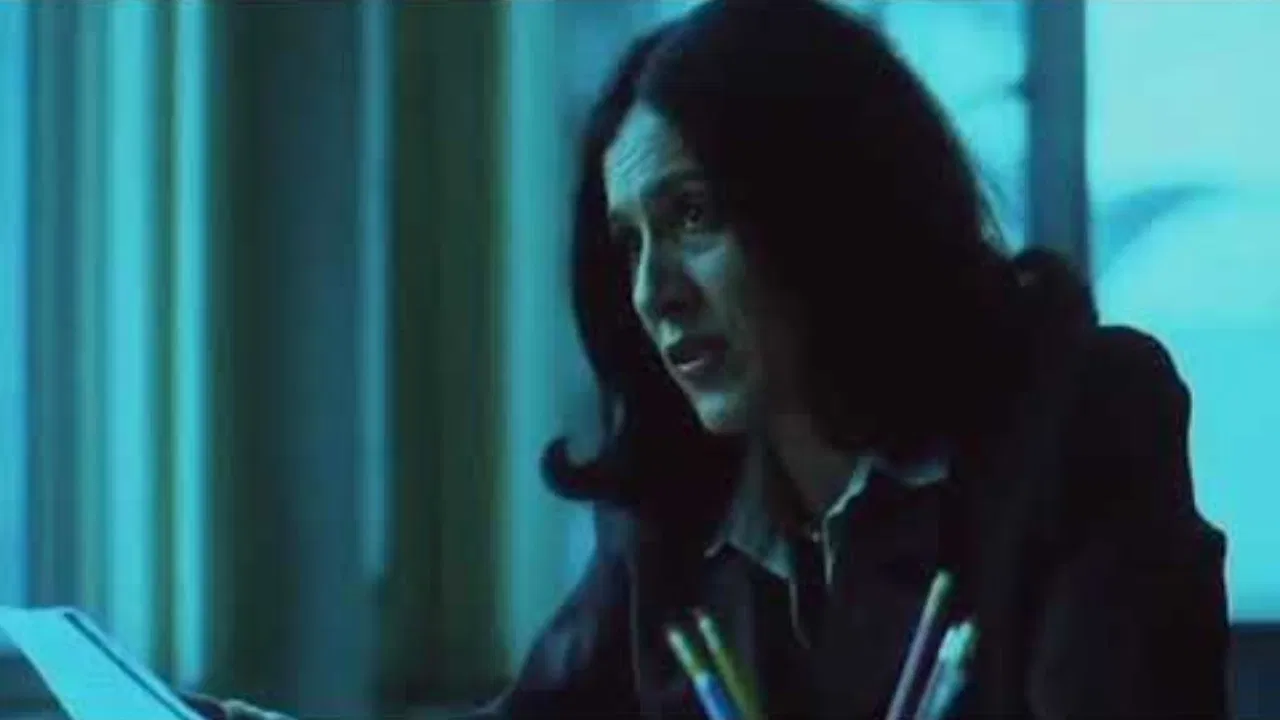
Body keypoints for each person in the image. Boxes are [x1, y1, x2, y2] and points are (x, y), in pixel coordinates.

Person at [189, 1, 1229, 718]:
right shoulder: (678, 512)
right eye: (627, 243)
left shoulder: (1083, 422)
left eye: (692, 217)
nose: (653, 293)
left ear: (831, 205)